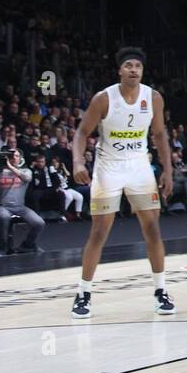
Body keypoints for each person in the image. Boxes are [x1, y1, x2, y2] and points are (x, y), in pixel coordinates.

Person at [70, 48, 175, 319]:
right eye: (128, 65)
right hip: (109, 167)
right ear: (120, 70)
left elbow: (161, 134)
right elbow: (82, 132)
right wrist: (79, 162)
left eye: (137, 66)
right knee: (99, 232)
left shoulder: (153, 97)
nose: (133, 70)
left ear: (142, 71)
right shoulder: (104, 98)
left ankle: (161, 291)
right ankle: (83, 293)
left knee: (152, 229)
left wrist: (168, 170)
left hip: (139, 165)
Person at [0, 147, 44, 256]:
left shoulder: (26, 170)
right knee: (4, 217)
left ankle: (27, 245)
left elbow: (27, 179)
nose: (14, 158)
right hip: (3, 206)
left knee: (39, 223)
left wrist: (10, 167)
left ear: (20, 158)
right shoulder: (0, 171)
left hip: (20, 207)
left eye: (17, 156)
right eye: (11, 156)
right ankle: (2, 247)